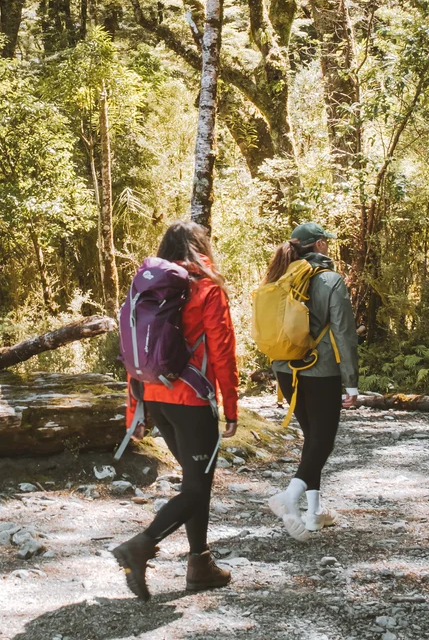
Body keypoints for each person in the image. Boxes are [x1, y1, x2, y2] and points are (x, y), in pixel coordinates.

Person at [111, 221, 240, 600]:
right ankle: (140, 546)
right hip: (191, 400)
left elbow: (132, 352)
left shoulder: (146, 289)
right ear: (201, 247)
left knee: (193, 483)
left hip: (155, 397)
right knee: (197, 489)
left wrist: (135, 409)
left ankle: (200, 565)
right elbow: (222, 350)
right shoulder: (206, 288)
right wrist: (230, 406)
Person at [264, 222, 359, 540]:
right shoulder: (331, 280)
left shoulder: (278, 278)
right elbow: (344, 333)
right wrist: (352, 381)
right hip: (321, 370)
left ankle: (314, 512)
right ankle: (289, 498)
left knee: (312, 438)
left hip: (285, 368)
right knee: (324, 440)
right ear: (318, 245)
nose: (328, 247)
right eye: (326, 243)